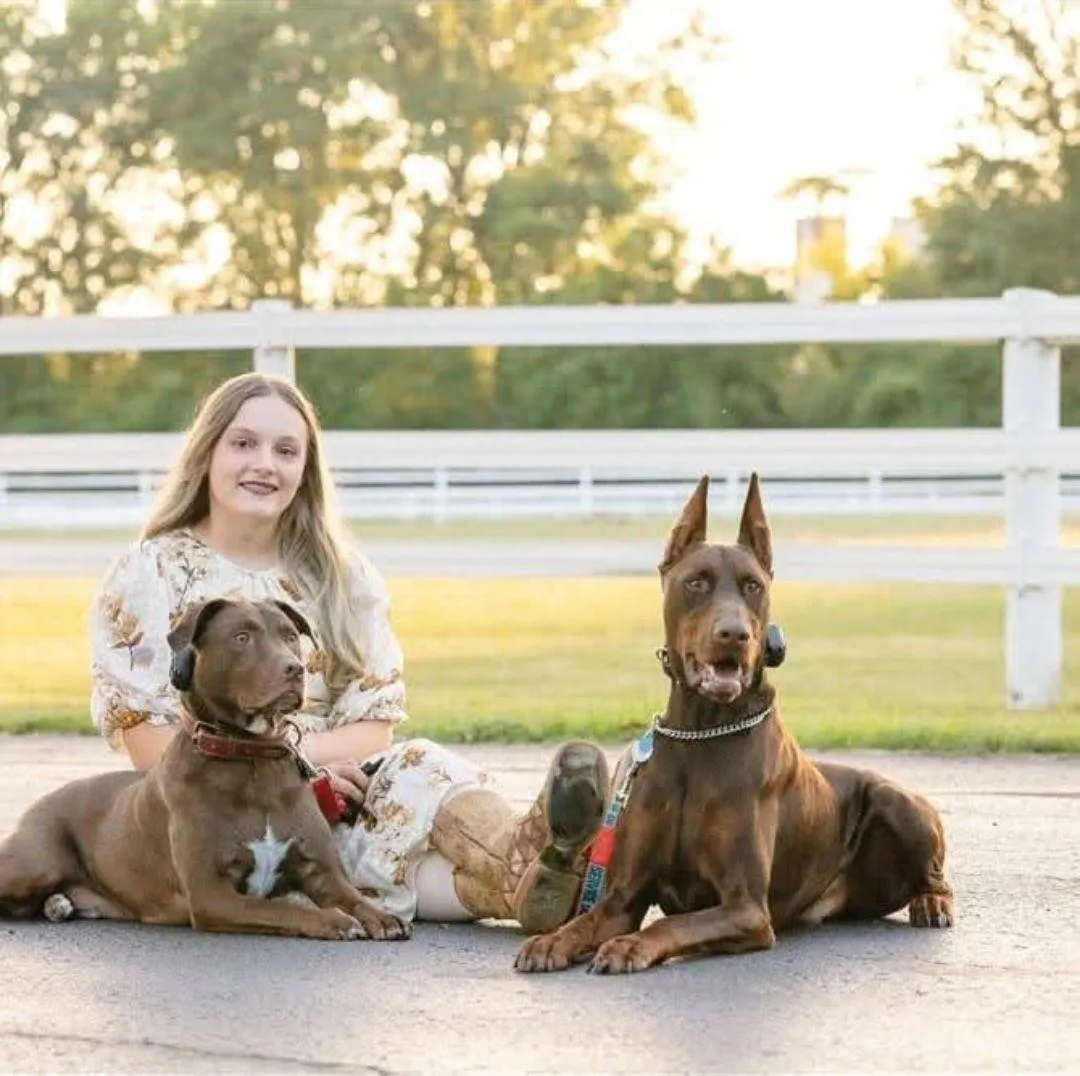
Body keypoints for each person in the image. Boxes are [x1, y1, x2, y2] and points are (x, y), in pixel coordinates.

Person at [89, 371, 609, 931]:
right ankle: (539, 875)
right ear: (207, 453)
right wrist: (285, 766)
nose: (265, 463)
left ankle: (529, 860)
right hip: (214, 810)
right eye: (244, 444)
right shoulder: (149, 572)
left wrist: (306, 767)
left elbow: (373, 725)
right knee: (394, 863)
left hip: (341, 789)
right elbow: (148, 743)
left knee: (417, 768)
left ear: (305, 471)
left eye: (286, 450)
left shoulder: (342, 577)